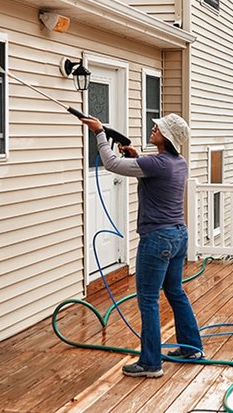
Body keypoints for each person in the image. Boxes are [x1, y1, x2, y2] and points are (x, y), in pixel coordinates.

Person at [79, 113, 203, 378]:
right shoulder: (178, 163)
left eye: (158, 127)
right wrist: (136, 157)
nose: (153, 127)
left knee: (148, 299)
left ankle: (150, 363)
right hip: (178, 235)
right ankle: (191, 348)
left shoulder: (156, 163)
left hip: (157, 239)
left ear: (167, 137)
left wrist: (99, 133)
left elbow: (111, 163)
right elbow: (153, 173)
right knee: (175, 291)